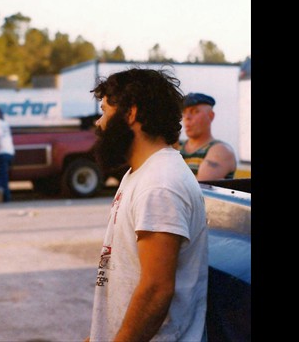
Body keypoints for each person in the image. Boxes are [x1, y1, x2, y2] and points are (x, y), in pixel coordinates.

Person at [87, 68, 208, 342]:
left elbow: (156, 289)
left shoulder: (160, 183)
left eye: (105, 111)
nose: (99, 123)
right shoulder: (140, 173)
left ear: (130, 113)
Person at [179, 92, 237, 180]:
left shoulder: (221, 150)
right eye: (184, 112)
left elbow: (200, 187)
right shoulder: (176, 146)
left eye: (195, 111)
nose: (187, 117)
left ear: (211, 116)